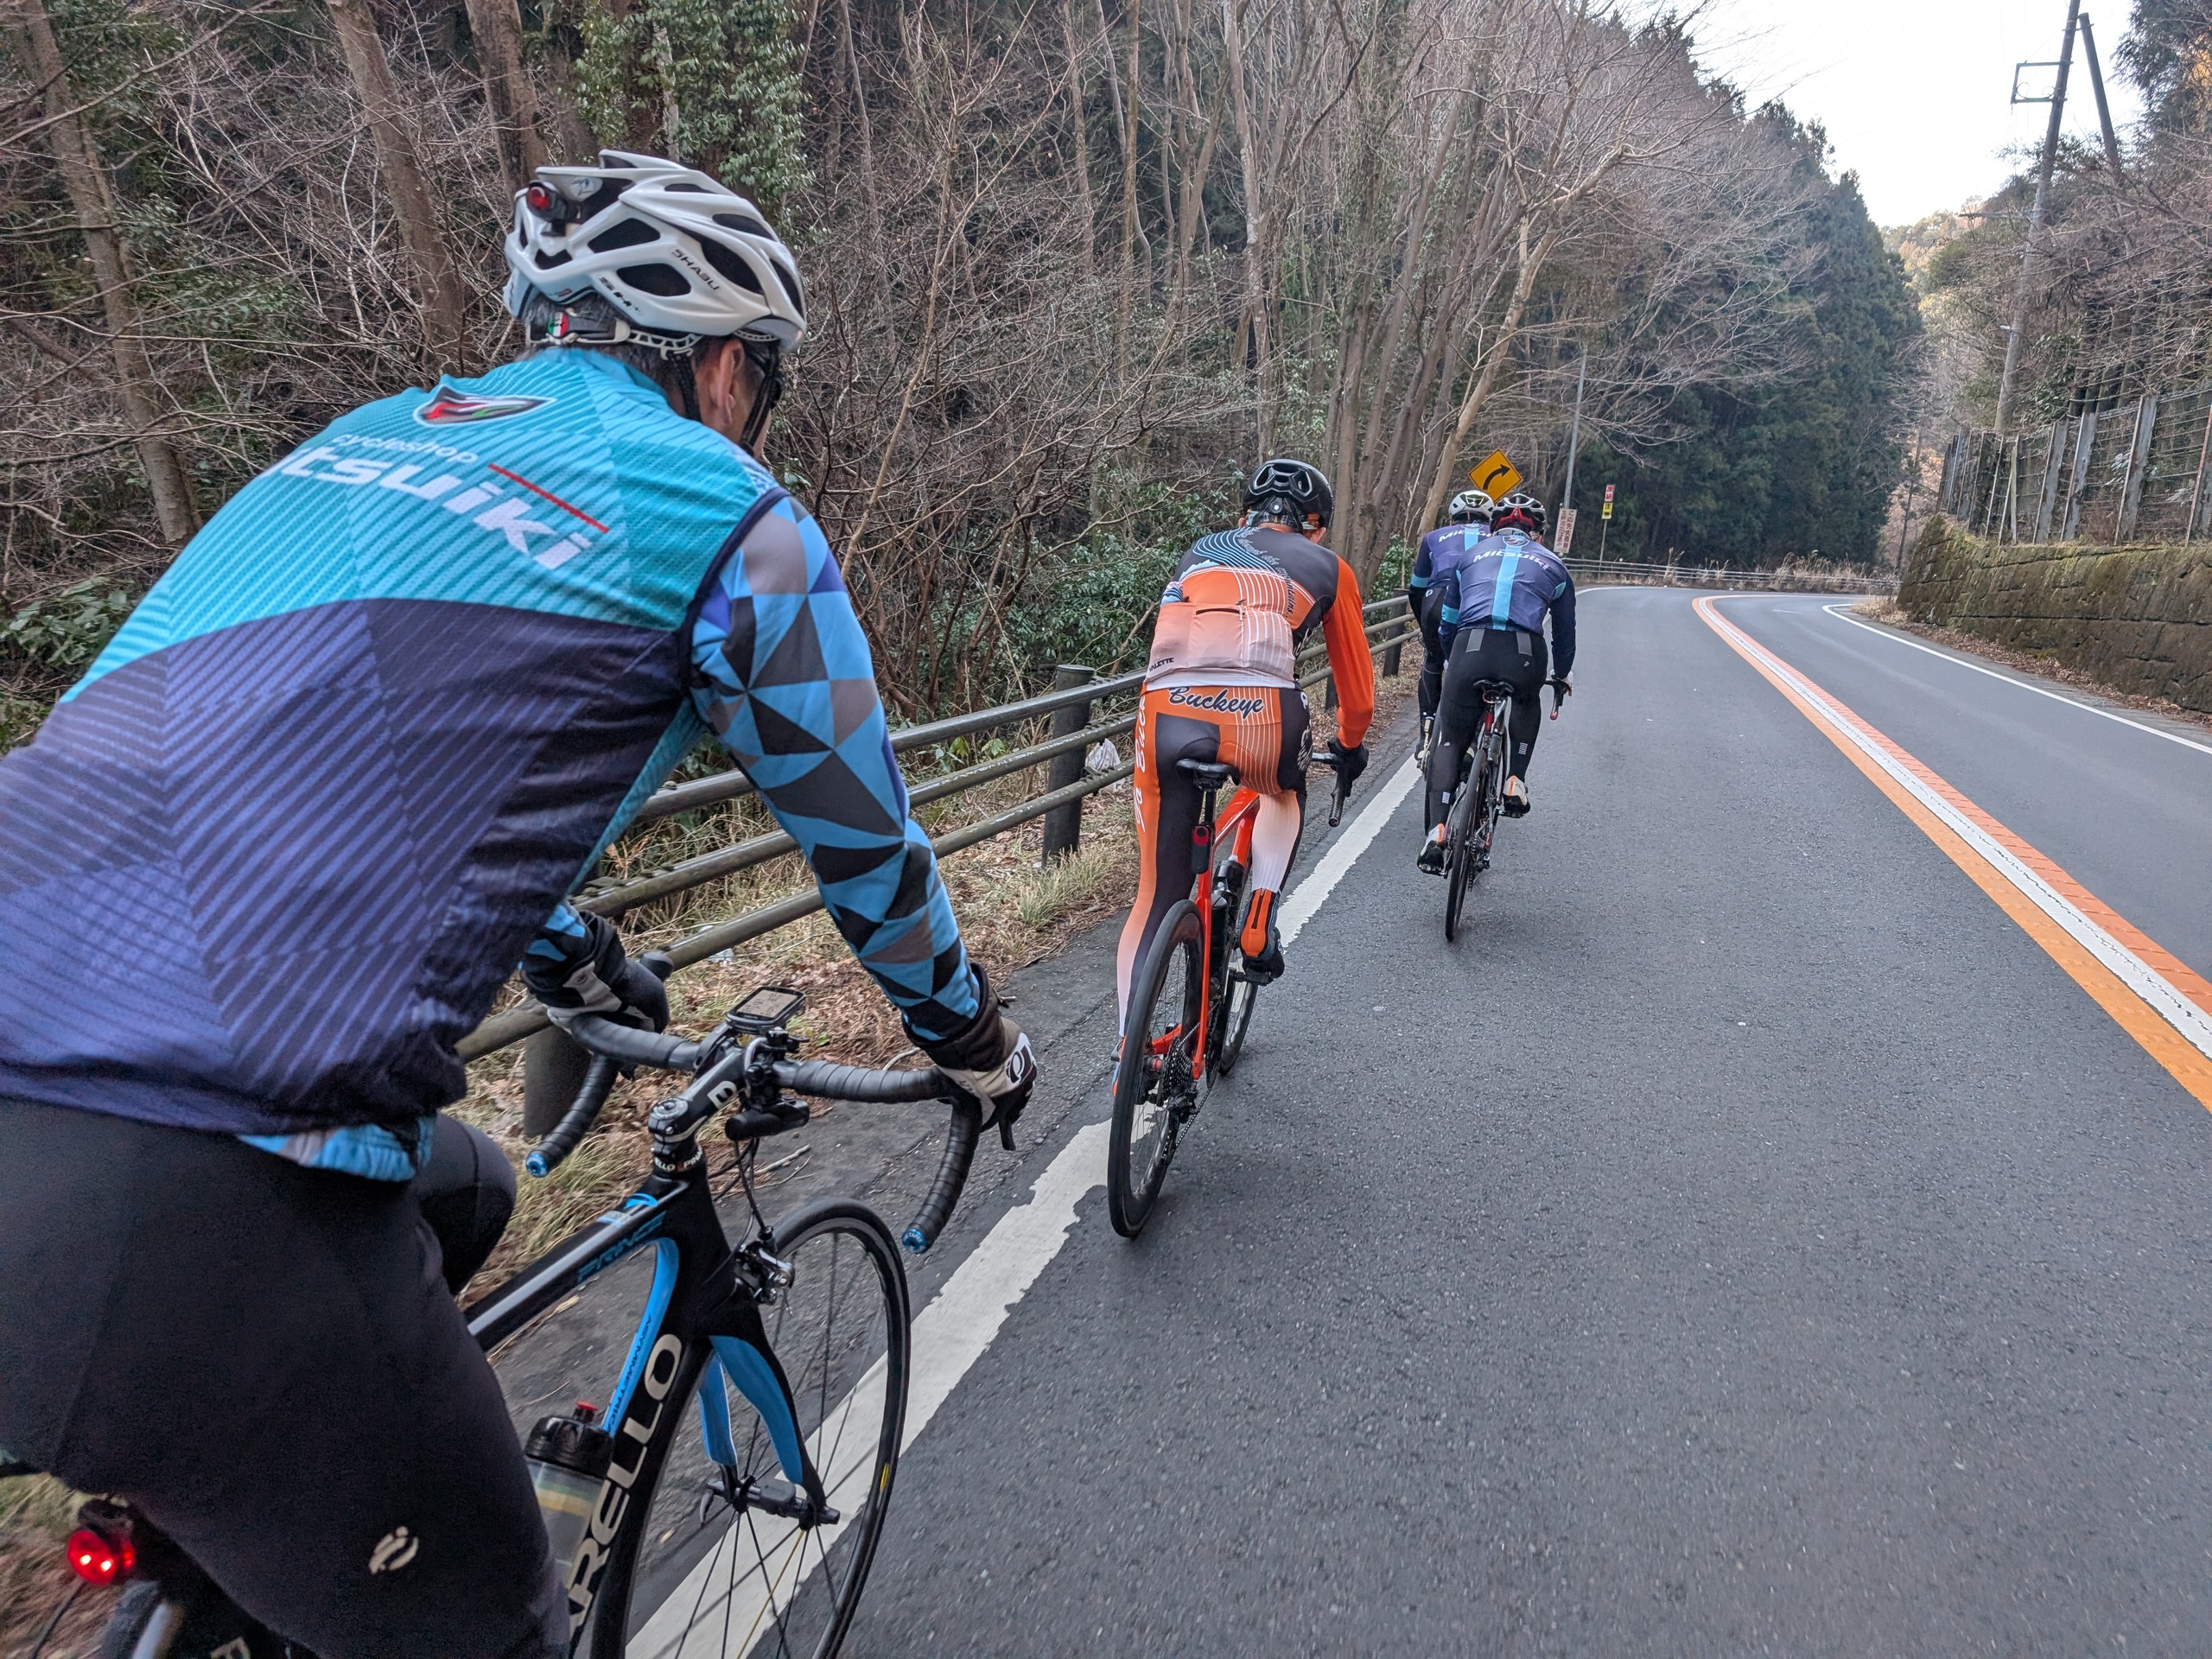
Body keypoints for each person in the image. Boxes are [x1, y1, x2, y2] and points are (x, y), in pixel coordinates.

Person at [0, 151, 1033, 1659]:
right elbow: (867, 852)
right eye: (767, 377)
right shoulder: (733, 518)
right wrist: (973, 1041)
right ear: (727, 364)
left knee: (469, 1191)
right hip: (187, 1172)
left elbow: (296, 767)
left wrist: (569, 951)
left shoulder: (350, 445)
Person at [1119, 459, 1374, 1016]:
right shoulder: (1330, 568)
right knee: (1282, 792)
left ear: (1244, 517)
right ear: (1316, 529)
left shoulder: (1199, 551)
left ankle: (1129, 1051)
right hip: (1265, 717)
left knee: (1154, 897)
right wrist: (1350, 746)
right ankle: (1260, 913)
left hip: (1166, 713)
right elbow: (1357, 699)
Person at [1415, 490, 1575, 872]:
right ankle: (1515, 780)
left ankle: (1437, 830)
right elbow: (1564, 632)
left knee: (1450, 736)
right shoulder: (1554, 565)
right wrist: (1561, 674)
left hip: (1470, 647)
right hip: (1524, 651)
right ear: (1538, 534)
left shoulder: (1470, 558)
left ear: (1494, 528)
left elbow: (1448, 622)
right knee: (1526, 701)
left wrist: (1453, 660)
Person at [1406, 488, 1493, 760]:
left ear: (1453, 517)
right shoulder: (1497, 538)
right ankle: (1473, 736)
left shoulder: (1433, 537)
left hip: (1437, 599)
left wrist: (1425, 628)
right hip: (1480, 600)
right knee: (1480, 665)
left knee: (1433, 661)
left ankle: (1426, 732)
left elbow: (1416, 588)